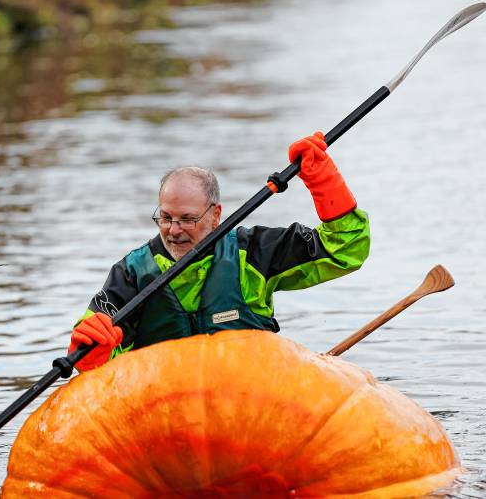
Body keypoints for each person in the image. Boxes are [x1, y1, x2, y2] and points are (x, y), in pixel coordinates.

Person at [68, 131, 370, 371]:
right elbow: (96, 353)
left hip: (250, 409)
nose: (174, 230)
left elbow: (345, 249)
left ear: (216, 215)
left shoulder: (255, 253)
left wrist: (323, 180)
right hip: (166, 416)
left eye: (188, 219)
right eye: (166, 217)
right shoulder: (132, 274)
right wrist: (90, 351)